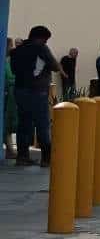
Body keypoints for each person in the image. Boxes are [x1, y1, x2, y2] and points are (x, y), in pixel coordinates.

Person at [8, 25, 60, 166]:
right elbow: (55, 65)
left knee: (24, 123)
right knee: (42, 124)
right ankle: (46, 159)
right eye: (45, 39)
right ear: (39, 38)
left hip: (19, 90)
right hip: (37, 91)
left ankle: (22, 157)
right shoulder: (41, 48)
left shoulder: (17, 51)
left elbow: (14, 70)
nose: (46, 43)